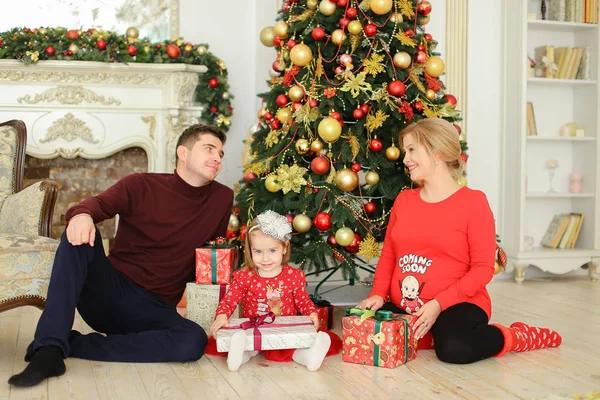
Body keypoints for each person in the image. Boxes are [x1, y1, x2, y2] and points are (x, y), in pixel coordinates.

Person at [9, 124, 234, 387]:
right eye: (209, 149)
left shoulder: (222, 198)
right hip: (110, 293)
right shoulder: (141, 184)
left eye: (220, 153)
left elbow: (211, 257)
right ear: (182, 152)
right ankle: (49, 349)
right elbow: (97, 205)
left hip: (155, 309)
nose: (217, 158)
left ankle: (75, 344)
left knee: (192, 341)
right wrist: (81, 216)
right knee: (78, 234)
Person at [357, 118, 562, 365]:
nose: (405, 159)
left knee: (455, 349)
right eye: (405, 151)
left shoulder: (473, 203)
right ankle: (428, 334)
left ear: (437, 153)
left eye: (412, 150)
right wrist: (378, 294)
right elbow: (390, 255)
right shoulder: (404, 200)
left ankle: (513, 336)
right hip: (407, 307)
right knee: (364, 332)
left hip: (457, 303)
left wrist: (438, 304)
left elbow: (483, 269)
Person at [207, 210, 341, 372]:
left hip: (284, 329)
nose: (265, 258)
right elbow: (230, 300)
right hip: (253, 328)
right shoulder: (245, 277)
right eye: (258, 251)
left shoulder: (293, 276)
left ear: (284, 248)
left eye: (272, 251)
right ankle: (236, 356)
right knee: (249, 346)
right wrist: (222, 315)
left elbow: (303, 300)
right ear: (250, 250)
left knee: (293, 347)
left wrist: (311, 313)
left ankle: (310, 357)